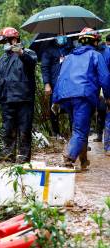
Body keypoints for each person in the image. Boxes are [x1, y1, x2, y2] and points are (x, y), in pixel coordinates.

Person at [53, 27, 110, 169]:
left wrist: (55, 100)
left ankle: (83, 161)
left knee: (79, 128)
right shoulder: (96, 55)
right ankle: (69, 158)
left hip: (66, 97)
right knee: (80, 130)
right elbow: (105, 78)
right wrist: (108, 97)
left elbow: (60, 79)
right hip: (83, 96)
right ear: (95, 42)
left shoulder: (69, 57)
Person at [0, 27, 37, 164]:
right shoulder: (2, 59)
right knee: (8, 131)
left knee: (24, 131)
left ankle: (23, 161)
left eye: (6, 41)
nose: (4, 44)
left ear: (14, 40)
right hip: (7, 100)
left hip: (24, 99)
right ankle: (8, 160)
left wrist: (21, 53)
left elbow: (31, 63)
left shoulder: (28, 53)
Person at [41, 35, 72, 138]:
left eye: (63, 35)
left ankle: (74, 134)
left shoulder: (71, 48)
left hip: (70, 83)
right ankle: (56, 134)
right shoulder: (48, 50)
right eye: (58, 35)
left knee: (72, 108)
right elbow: (45, 68)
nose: (61, 37)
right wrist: (47, 83)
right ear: (54, 37)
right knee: (54, 108)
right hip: (55, 85)